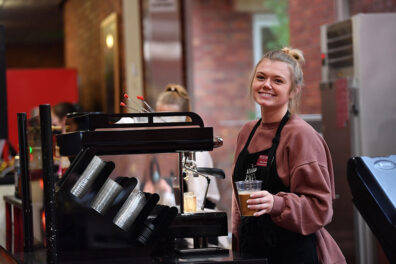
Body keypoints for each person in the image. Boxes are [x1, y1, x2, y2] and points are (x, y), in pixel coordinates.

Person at [231, 47, 345, 263]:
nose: (266, 85)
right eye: (261, 77)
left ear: (294, 91)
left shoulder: (301, 135)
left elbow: (321, 208)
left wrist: (276, 204)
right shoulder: (247, 132)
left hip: (293, 254)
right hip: (251, 253)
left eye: (278, 80)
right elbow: (239, 205)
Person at [142, 84, 221, 209]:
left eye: (168, 120)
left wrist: (165, 194)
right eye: (159, 119)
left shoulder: (196, 151)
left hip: (202, 216)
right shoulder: (158, 151)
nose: (162, 126)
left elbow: (195, 204)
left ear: (184, 119)